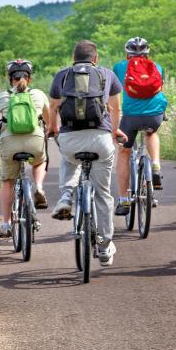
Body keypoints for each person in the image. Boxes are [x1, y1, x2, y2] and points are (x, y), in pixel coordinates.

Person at [47, 40, 126, 266]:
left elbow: (53, 107)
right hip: (100, 139)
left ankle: (66, 196)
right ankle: (103, 247)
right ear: (95, 58)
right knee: (102, 194)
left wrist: (53, 128)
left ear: (74, 57)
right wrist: (114, 131)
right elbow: (116, 108)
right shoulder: (106, 74)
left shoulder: (62, 75)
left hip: (71, 138)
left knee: (68, 159)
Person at [0, 59, 50, 237]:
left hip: (10, 144)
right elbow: (50, 122)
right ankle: (39, 187)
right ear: (30, 78)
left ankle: (5, 224)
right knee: (40, 161)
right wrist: (51, 131)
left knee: (7, 181)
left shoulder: (2, 96)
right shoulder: (39, 94)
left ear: (9, 78)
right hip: (35, 141)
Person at [112, 37, 167, 215]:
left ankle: (124, 200)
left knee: (124, 152)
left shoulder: (120, 67)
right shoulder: (157, 67)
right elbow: (160, 90)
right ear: (147, 53)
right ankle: (156, 164)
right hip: (154, 115)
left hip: (130, 117)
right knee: (151, 134)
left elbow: (114, 94)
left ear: (127, 54)